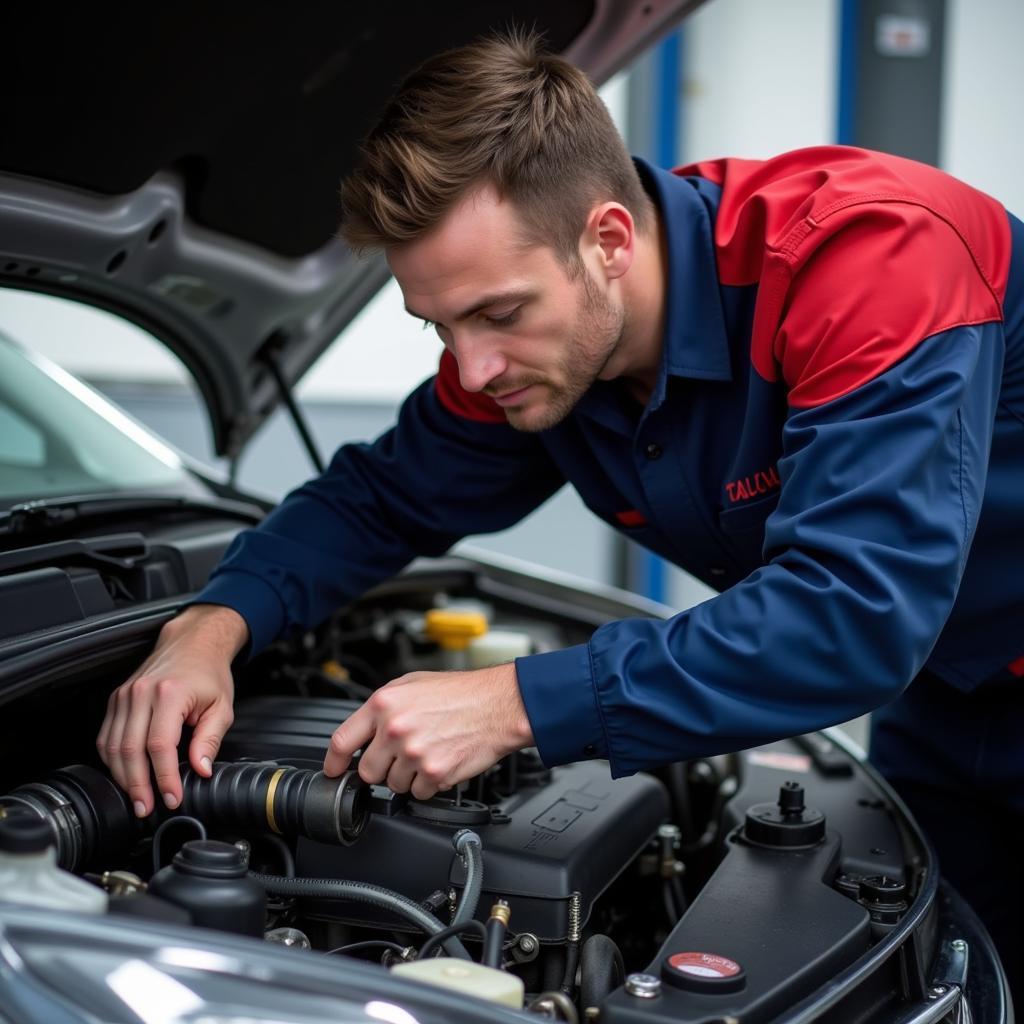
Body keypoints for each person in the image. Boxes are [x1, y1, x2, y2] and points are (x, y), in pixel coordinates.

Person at [97, 31, 1022, 1000]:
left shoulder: (869, 256)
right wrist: (215, 623)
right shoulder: (533, 361)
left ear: (609, 240)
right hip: (940, 705)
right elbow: (377, 497)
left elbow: (851, 617)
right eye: (437, 325)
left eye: (497, 313)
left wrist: (511, 704)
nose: (472, 367)